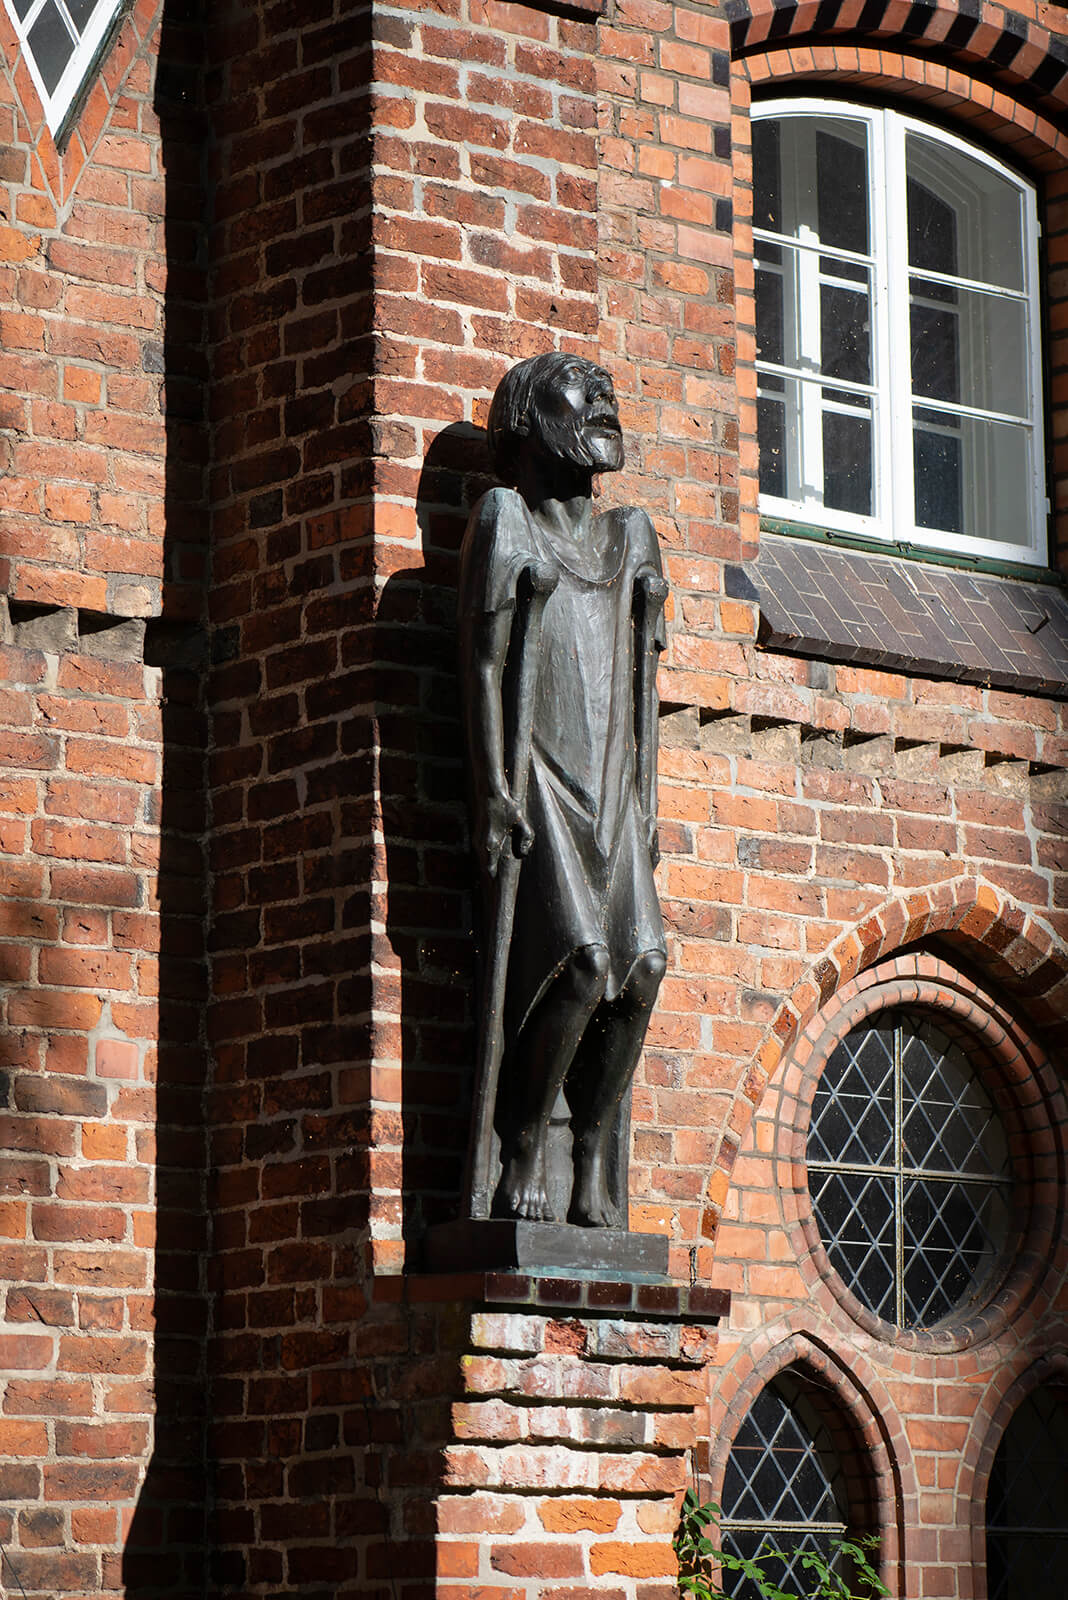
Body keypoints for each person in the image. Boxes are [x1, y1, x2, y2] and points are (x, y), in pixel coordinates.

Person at [458, 351, 667, 1228]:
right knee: (582, 963)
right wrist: (491, 791)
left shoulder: (630, 538)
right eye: (581, 395)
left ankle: (590, 1148)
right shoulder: (506, 520)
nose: (603, 406)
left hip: (614, 787)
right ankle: (519, 1145)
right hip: (539, 774)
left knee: (644, 964)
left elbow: (646, 687)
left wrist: (647, 801)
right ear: (527, 420)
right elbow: (481, 663)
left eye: (610, 394)